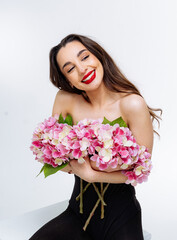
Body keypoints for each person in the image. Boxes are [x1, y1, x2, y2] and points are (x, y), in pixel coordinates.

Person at [30, 34, 162, 240]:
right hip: (77, 213)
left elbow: (140, 170)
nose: (82, 69)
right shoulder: (65, 100)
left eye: (84, 57)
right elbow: (56, 157)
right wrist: (69, 162)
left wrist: (92, 175)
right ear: (68, 80)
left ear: (98, 57)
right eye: (70, 68)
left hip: (121, 217)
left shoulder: (132, 104)